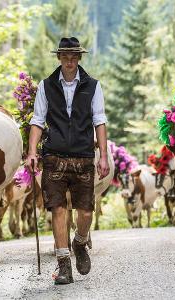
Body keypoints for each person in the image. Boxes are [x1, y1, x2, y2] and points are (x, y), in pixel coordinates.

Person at [25, 37, 109, 284]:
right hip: (54, 156)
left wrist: (103, 155)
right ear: (59, 57)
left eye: (74, 57)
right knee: (58, 209)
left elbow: (100, 121)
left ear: (79, 58)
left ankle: (80, 242)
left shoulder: (93, 86)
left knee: (85, 211)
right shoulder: (46, 85)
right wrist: (32, 152)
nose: (70, 61)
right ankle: (64, 265)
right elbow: (38, 121)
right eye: (65, 56)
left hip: (83, 156)